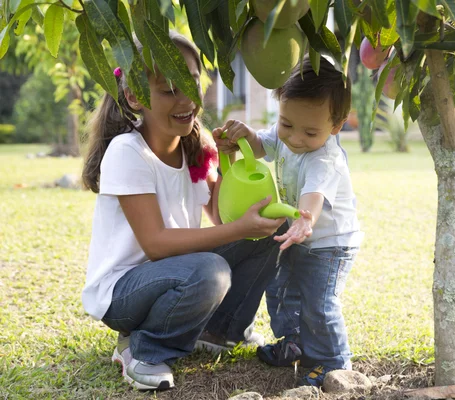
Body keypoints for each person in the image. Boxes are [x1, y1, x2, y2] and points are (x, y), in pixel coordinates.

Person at [80, 30, 285, 391]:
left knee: (265, 233)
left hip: (181, 273)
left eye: (191, 82)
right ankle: (144, 349)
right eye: (168, 90)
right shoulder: (128, 152)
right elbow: (156, 245)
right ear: (134, 96)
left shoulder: (197, 146)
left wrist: (228, 160)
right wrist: (237, 230)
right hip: (124, 292)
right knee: (211, 268)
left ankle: (220, 331)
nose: (186, 98)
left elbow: (222, 219)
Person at [213, 56, 363, 387]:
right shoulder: (287, 134)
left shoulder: (325, 158)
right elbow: (261, 144)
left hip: (328, 243)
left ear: (336, 126)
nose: (294, 138)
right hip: (296, 234)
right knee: (280, 289)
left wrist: (304, 220)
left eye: (310, 131)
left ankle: (333, 362)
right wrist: (241, 135)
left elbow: (313, 195)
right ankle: (293, 340)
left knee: (318, 303)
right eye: (286, 124)